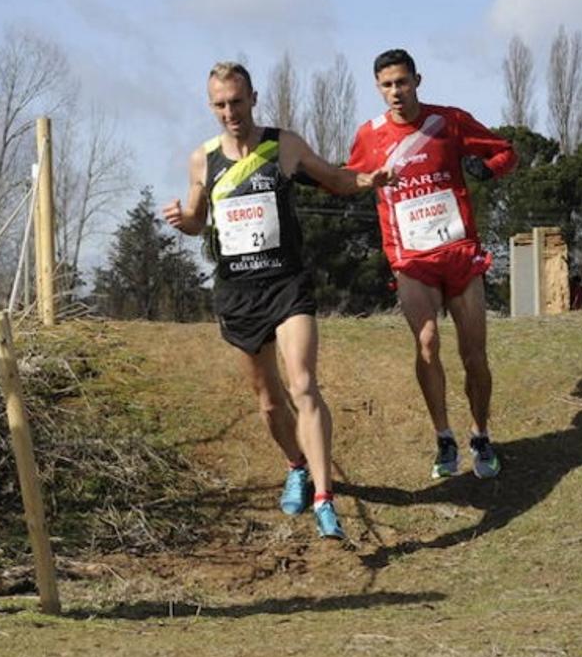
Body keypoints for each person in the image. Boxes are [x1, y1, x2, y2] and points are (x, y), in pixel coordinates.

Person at [163, 61, 390, 540]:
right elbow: (198, 219)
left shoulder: (282, 145)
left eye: (237, 102)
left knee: (304, 385)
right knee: (269, 403)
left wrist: (367, 180)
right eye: (220, 104)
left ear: (253, 98)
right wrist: (184, 222)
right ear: (211, 106)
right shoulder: (202, 159)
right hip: (239, 293)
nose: (230, 112)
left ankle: (326, 499)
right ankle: (296, 465)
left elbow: (335, 178)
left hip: (287, 285)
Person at [346, 48, 516, 480]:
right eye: (387, 85)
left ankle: (480, 434)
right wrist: (369, 179)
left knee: (473, 353)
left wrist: (486, 168)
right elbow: (346, 179)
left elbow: (505, 152)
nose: (395, 92)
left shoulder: (449, 121)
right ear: (378, 89)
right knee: (426, 343)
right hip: (411, 259)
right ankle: (444, 438)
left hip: (458, 254)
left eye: (402, 82)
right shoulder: (370, 135)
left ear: (417, 80)